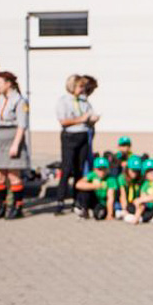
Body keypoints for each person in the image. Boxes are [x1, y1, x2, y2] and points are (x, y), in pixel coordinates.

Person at [0, 72, 29, 220]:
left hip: (13, 136)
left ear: (8, 83)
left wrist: (16, 145)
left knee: (13, 175)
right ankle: (0, 205)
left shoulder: (20, 100)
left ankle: (17, 206)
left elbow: (22, 125)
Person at [55, 74, 98, 215]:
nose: (82, 89)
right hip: (70, 136)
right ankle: (60, 201)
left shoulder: (84, 101)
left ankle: (77, 200)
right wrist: (81, 119)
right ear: (72, 86)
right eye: (80, 86)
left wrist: (92, 120)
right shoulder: (64, 101)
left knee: (80, 169)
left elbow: (88, 116)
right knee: (67, 169)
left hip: (83, 135)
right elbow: (63, 121)